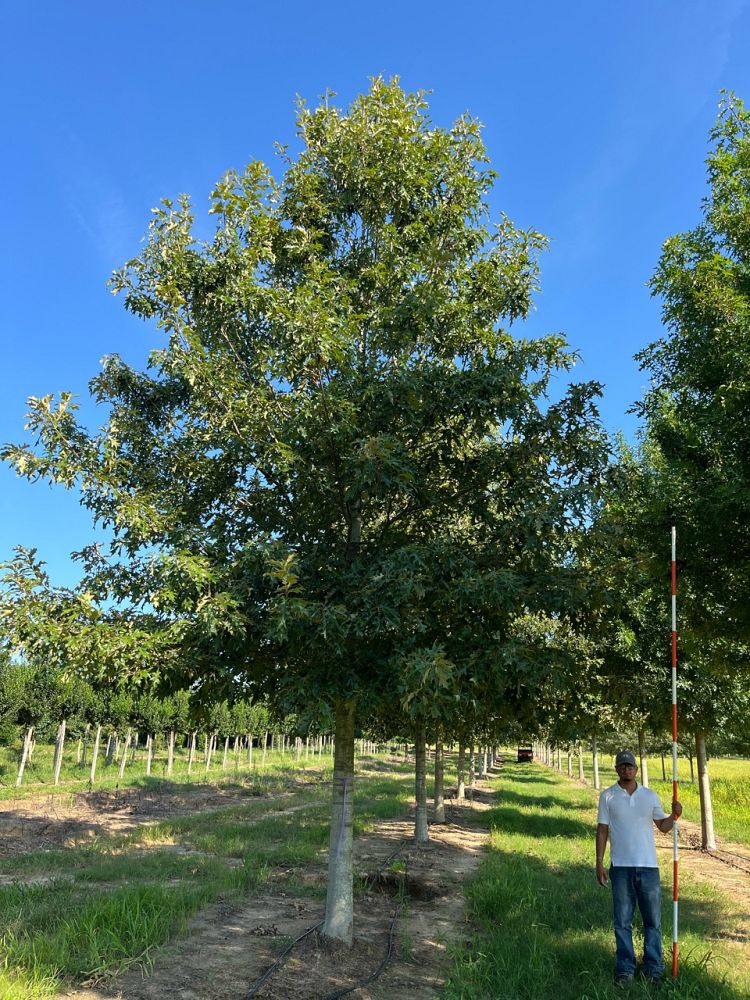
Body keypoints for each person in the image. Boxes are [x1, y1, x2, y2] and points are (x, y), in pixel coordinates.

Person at [596, 750, 682, 988]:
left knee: (652, 921)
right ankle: (625, 969)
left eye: (630, 766)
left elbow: (663, 827)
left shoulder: (650, 796)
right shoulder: (608, 797)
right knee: (622, 921)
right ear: (616, 769)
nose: (627, 769)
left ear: (636, 769)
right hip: (621, 868)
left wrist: (675, 815)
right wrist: (599, 861)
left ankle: (653, 968)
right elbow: (602, 830)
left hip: (648, 868)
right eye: (622, 766)